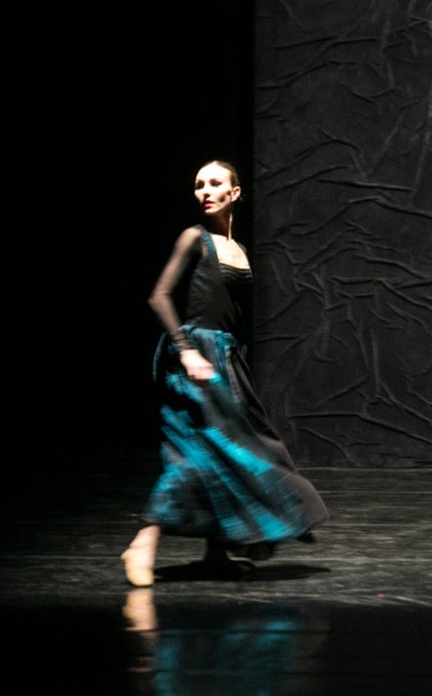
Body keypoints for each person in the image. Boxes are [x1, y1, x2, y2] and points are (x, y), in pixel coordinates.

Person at [121, 161, 328, 587]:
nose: (205, 190)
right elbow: (159, 296)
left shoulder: (240, 251)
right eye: (199, 184)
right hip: (190, 356)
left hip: (225, 360)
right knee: (197, 453)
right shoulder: (194, 238)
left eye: (215, 183)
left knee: (236, 451)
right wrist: (187, 352)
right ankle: (144, 539)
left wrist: (229, 361)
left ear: (235, 193)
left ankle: (216, 553)